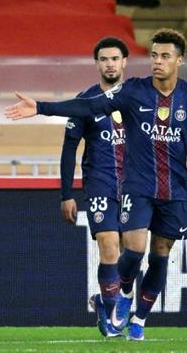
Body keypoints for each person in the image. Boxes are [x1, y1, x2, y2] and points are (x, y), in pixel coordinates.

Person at [5, 28, 187, 341]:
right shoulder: (133, 91)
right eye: (154, 55)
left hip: (174, 189)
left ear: (179, 60)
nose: (157, 61)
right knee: (134, 250)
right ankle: (125, 294)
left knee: (161, 253)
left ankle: (139, 320)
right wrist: (41, 107)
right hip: (137, 186)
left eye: (165, 56)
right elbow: (89, 106)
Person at [60, 37, 127, 338]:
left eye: (115, 58)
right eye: (104, 59)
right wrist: (66, 194)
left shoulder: (139, 98)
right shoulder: (84, 102)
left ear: (124, 62)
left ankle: (104, 300)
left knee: (129, 251)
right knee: (109, 245)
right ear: (97, 64)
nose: (110, 64)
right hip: (100, 182)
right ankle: (112, 318)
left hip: (134, 185)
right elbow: (69, 148)